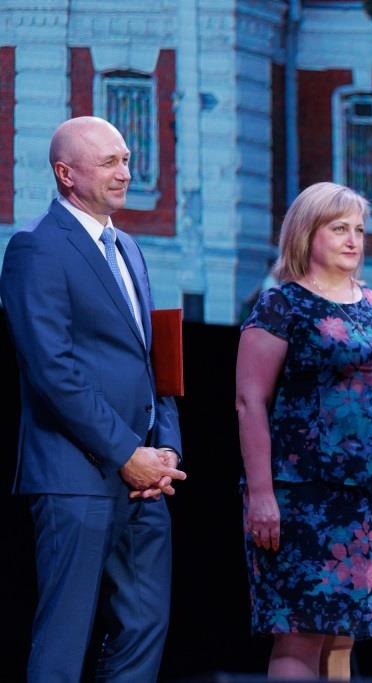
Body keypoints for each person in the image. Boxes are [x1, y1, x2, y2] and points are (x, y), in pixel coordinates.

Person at [0, 116, 186, 682]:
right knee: (64, 635)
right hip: (75, 474)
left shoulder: (127, 246)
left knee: (143, 628)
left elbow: (152, 358)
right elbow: (51, 369)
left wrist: (166, 448)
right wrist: (125, 452)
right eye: (109, 162)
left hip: (147, 478)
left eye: (125, 159)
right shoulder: (36, 247)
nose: (125, 172)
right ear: (66, 174)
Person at [235, 182, 372, 681]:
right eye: (339, 228)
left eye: (358, 229)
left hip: (363, 496)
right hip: (299, 494)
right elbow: (250, 402)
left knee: (343, 637)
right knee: (299, 634)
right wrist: (261, 495)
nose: (353, 239)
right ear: (306, 233)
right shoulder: (281, 305)